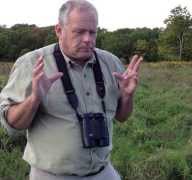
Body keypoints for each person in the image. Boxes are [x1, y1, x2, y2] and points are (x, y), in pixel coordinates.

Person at [0, 0, 142, 179]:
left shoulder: (111, 63)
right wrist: (34, 99)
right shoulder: (32, 64)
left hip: (103, 171)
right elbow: (12, 126)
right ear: (59, 30)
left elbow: (122, 117)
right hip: (52, 175)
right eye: (79, 32)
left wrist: (128, 96)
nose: (87, 39)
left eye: (92, 32)